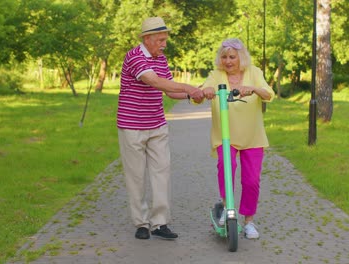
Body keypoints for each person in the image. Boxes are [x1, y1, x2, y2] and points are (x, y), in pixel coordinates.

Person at [117, 17, 204, 240]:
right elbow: (155, 82)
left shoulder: (161, 59)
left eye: (165, 40)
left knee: (161, 174)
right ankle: (141, 224)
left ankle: (160, 223)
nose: (164, 44)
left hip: (156, 124)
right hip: (132, 126)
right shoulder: (134, 57)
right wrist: (190, 87)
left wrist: (191, 94)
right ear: (147, 39)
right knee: (135, 176)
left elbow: (170, 91)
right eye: (161, 40)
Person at [199, 38, 274, 239]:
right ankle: (226, 206)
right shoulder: (216, 75)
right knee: (226, 166)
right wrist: (204, 92)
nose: (228, 61)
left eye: (232, 56)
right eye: (224, 57)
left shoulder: (254, 73)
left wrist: (254, 89)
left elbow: (268, 94)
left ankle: (249, 221)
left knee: (251, 180)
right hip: (225, 136)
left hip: (252, 136)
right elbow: (200, 93)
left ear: (241, 57)